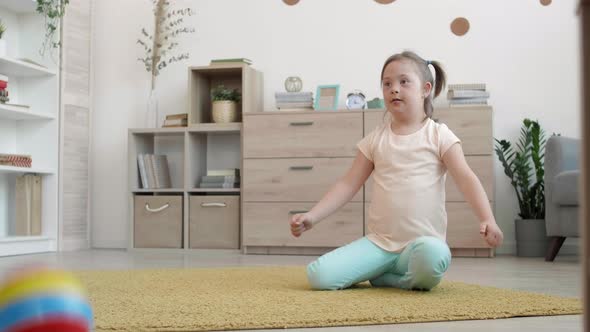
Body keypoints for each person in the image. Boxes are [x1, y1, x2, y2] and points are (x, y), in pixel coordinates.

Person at [289, 51, 503, 291]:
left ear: (425, 89)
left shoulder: (439, 135)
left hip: (421, 247)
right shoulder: (375, 140)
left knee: (435, 256)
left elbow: (466, 179)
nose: (394, 89)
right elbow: (347, 184)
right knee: (319, 277)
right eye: (387, 83)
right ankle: (388, 273)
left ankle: (387, 278)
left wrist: (488, 219)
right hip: (379, 245)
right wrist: (312, 216)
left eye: (404, 82)